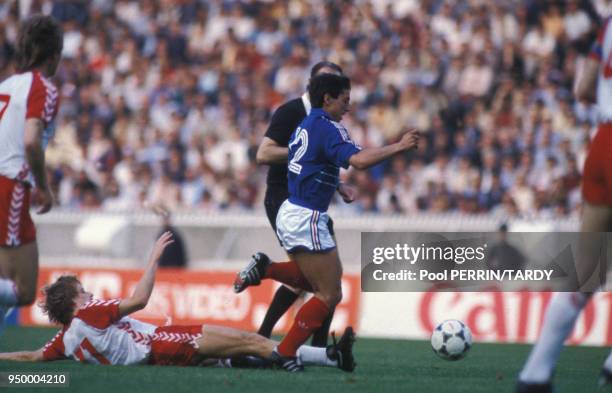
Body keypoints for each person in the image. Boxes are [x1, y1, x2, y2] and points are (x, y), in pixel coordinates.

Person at [235, 73, 419, 371]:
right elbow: (358, 161)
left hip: (291, 210)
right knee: (330, 293)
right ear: (327, 99)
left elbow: (310, 162)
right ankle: (285, 351)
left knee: (312, 282)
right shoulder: (330, 128)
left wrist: (335, 184)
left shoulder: (306, 124)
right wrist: (398, 147)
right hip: (307, 215)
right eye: (345, 100)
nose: (348, 106)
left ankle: (266, 269)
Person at [0, 232, 355, 372]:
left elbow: (30, 357)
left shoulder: (65, 338)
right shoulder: (89, 314)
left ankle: (318, 357)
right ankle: (318, 357)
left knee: (236, 357)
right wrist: (153, 258)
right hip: (161, 346)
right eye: (83, 291)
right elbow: (139, 300)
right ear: (75, 301)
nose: (90, 293)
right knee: (249, 342)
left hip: (159, 349)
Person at [516, 17, 612, 393]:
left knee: (587, 272)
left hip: (603, 141)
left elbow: (583, 87)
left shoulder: (608, 22)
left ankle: (535, 374)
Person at [245, 61, 355, 345]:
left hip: (305, 198)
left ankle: (295, 342)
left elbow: (321, 159)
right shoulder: (292, 111)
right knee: (317, 277)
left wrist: (338, 184)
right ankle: (277, 340)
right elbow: (263, 153)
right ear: (315, 85)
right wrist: (299, 153)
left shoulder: (325, 119)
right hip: (284, 197)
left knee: (323, 276)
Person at [0, 15, 63, 329]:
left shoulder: (6, 86)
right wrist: (44, 186)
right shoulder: (44, 88)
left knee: (2, 280)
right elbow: (30, 140)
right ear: (54, 56)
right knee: (24, 289)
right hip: (9, 185)